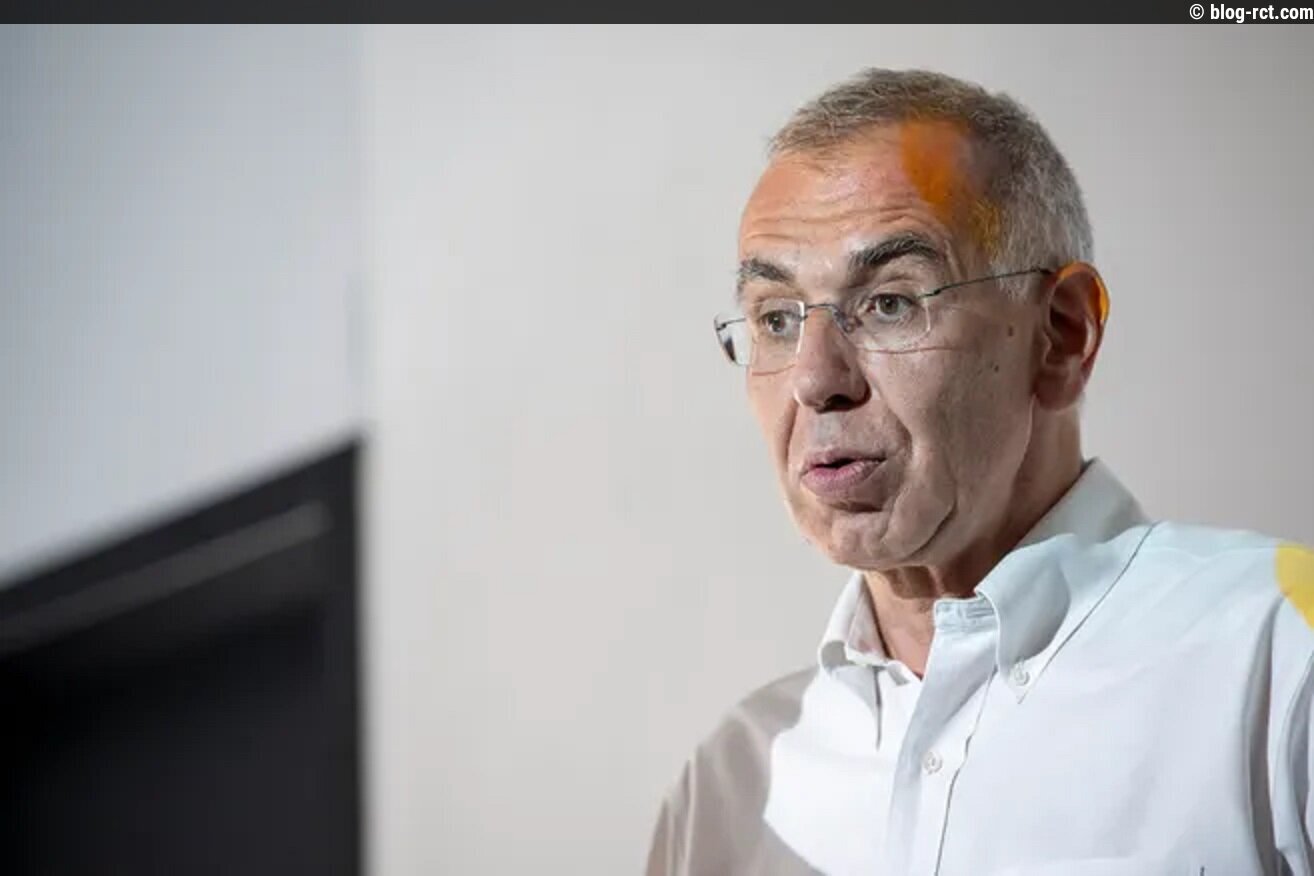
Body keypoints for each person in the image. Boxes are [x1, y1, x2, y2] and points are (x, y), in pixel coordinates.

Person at [645, 68, 1314, 876]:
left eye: (890, 302)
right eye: (778, 319)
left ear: (1062, 335)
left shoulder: (1279, 658)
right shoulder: (735, 789)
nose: (815, 380)